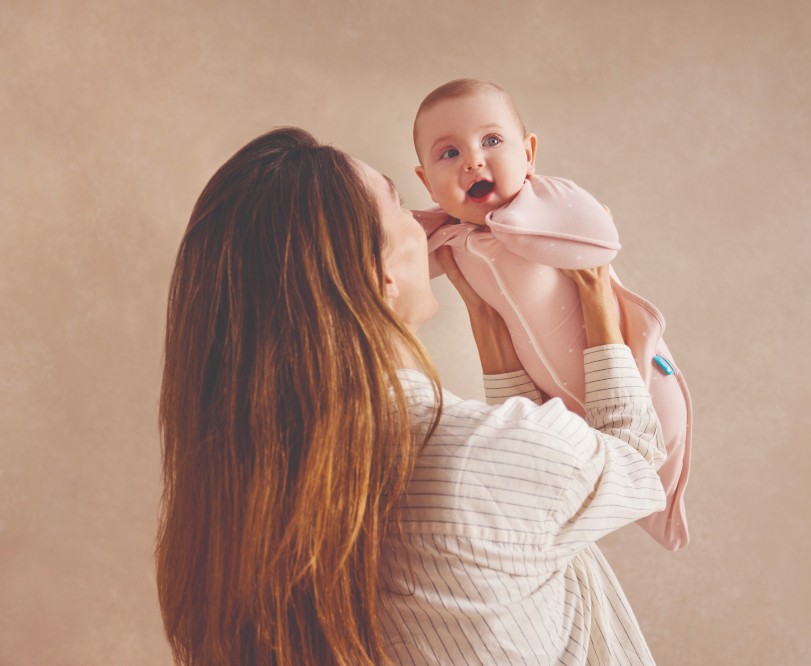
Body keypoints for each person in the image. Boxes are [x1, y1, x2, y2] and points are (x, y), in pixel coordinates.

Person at [156, 127, 671, 664]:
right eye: (399, 202)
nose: (425, 218)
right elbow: (635, 460)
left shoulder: (237, 505)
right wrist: (595, 287)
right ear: (378, 275)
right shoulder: (485, 456)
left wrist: (491, 320)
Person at [411, 78, 692, 550]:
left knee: (650, 468)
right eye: (449, 154)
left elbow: (600, 236)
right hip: (560, 407)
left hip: (638, 384)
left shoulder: (546, 208)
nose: (474, 160)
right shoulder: (457, 242)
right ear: (426, 182)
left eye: (492, 141)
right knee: (553, 495)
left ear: (529, 153)